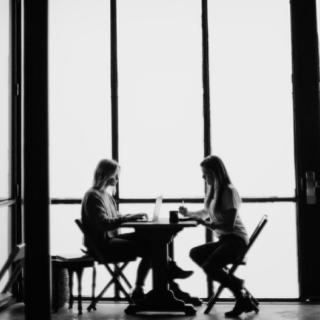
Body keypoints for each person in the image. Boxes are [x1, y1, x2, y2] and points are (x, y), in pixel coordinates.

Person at [81, 159, 192, 303]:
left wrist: (131, 216)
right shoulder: (93, 196)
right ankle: (157, 284)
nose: (117, 179)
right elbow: (103, 224)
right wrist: (127, 218)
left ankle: (167, 279)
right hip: (101, 246)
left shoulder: (105, 195)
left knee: (149, 239)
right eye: (115, 175)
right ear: (105, 174)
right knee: (151, 248)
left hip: (108, 240)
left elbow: (114, 217)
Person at [178, 155, 254, 317]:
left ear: (215, 173)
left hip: (236, 241)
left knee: (209, 266)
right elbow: (206, 213)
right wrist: (189, 214)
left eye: (205, 174)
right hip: (225, 240)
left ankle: (240, 298)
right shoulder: (214, 190)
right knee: (195, 253)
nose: (203, 177)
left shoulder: (229, 191)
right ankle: (237, 284)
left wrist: (204, 223)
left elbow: (229, 225)